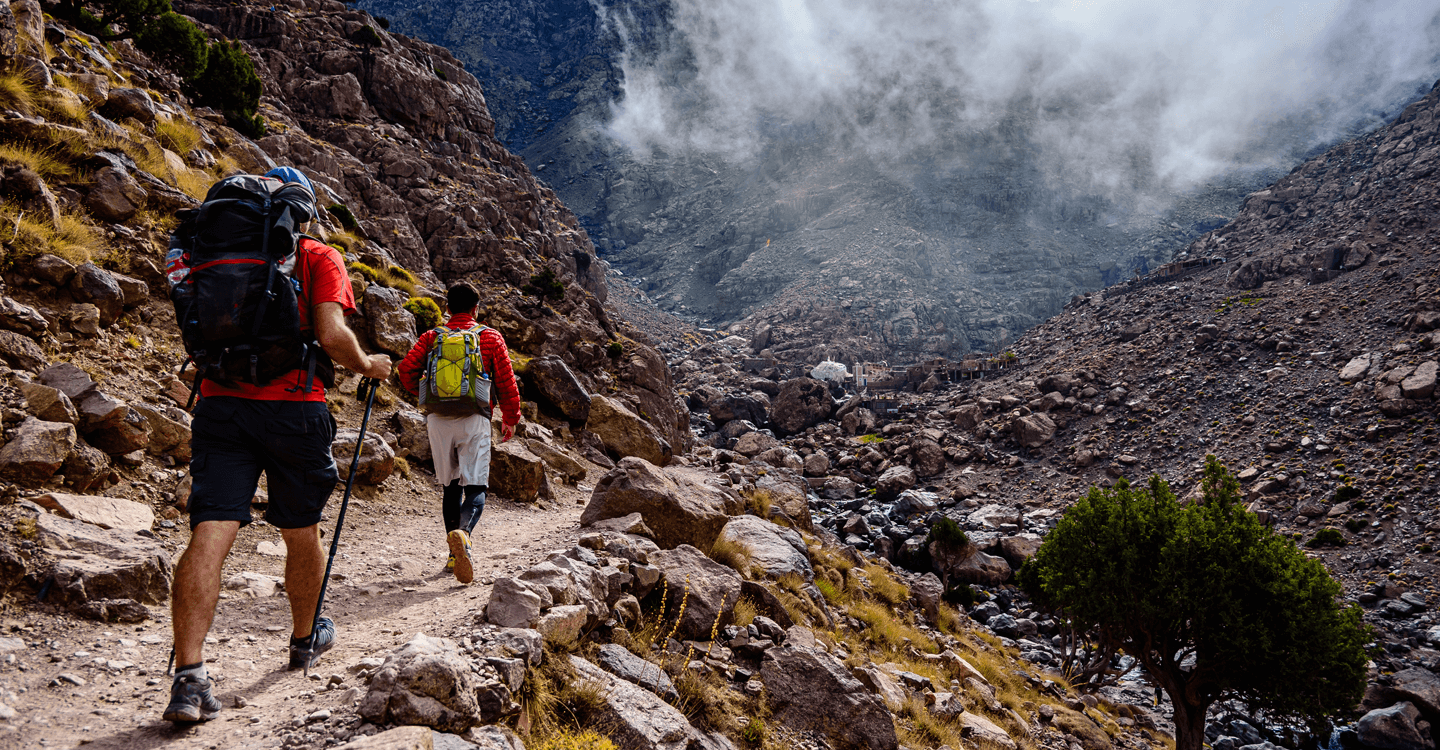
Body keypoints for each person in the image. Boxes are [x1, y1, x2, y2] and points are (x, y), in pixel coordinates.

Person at [164, 167, 393, 724]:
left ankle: (190, 678)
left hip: (221, 406)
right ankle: (304, 637)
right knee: (300, 529)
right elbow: (332, 335)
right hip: (295, 410)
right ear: (300, 212)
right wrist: (369, 364)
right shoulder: (316, 256)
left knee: (210, 530)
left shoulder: (205, 251)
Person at [396, 282, 521, 584]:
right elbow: (506, 381)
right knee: (476, 487)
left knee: (451, 487)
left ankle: (453, 555)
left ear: (447, 308)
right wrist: (510, 417)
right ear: (476, 309)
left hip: (438, 420)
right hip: (474, 418)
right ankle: (463, 534)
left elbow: (405, 370)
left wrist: (426, 395)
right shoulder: (489, 337)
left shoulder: (432, 337)